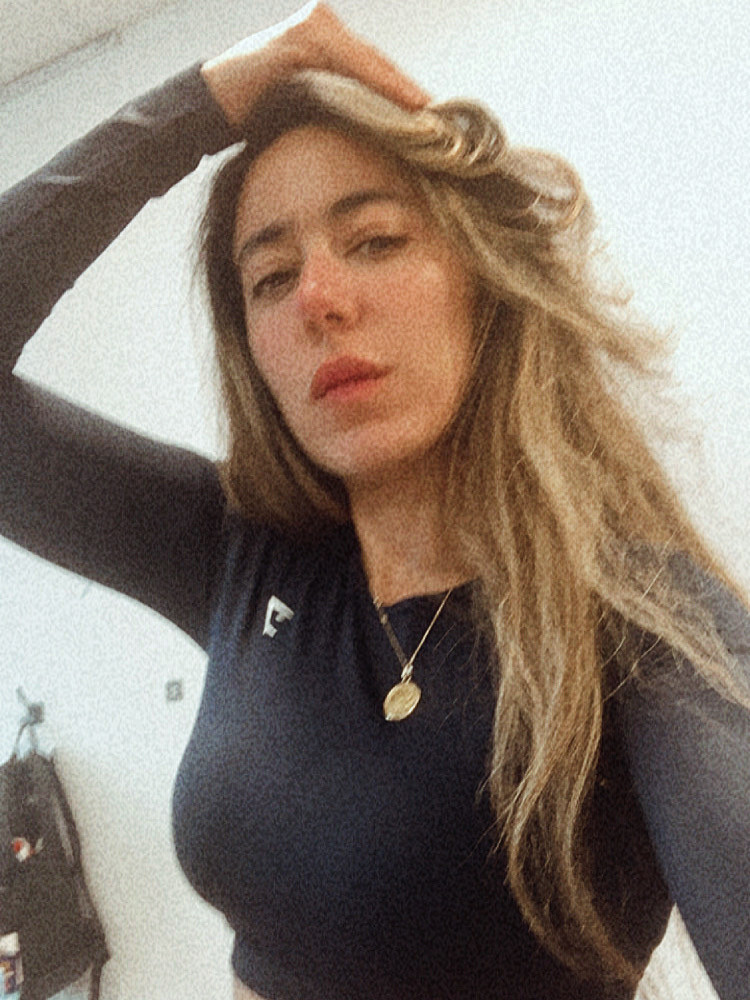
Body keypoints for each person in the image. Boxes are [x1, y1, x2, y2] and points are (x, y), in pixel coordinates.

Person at [1, 4, 749, 999]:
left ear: (484, 285)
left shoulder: (644, 629)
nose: (319, 296)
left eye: (377, 240)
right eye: (272, 276)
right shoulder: (241, 557)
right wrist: (199, 105)